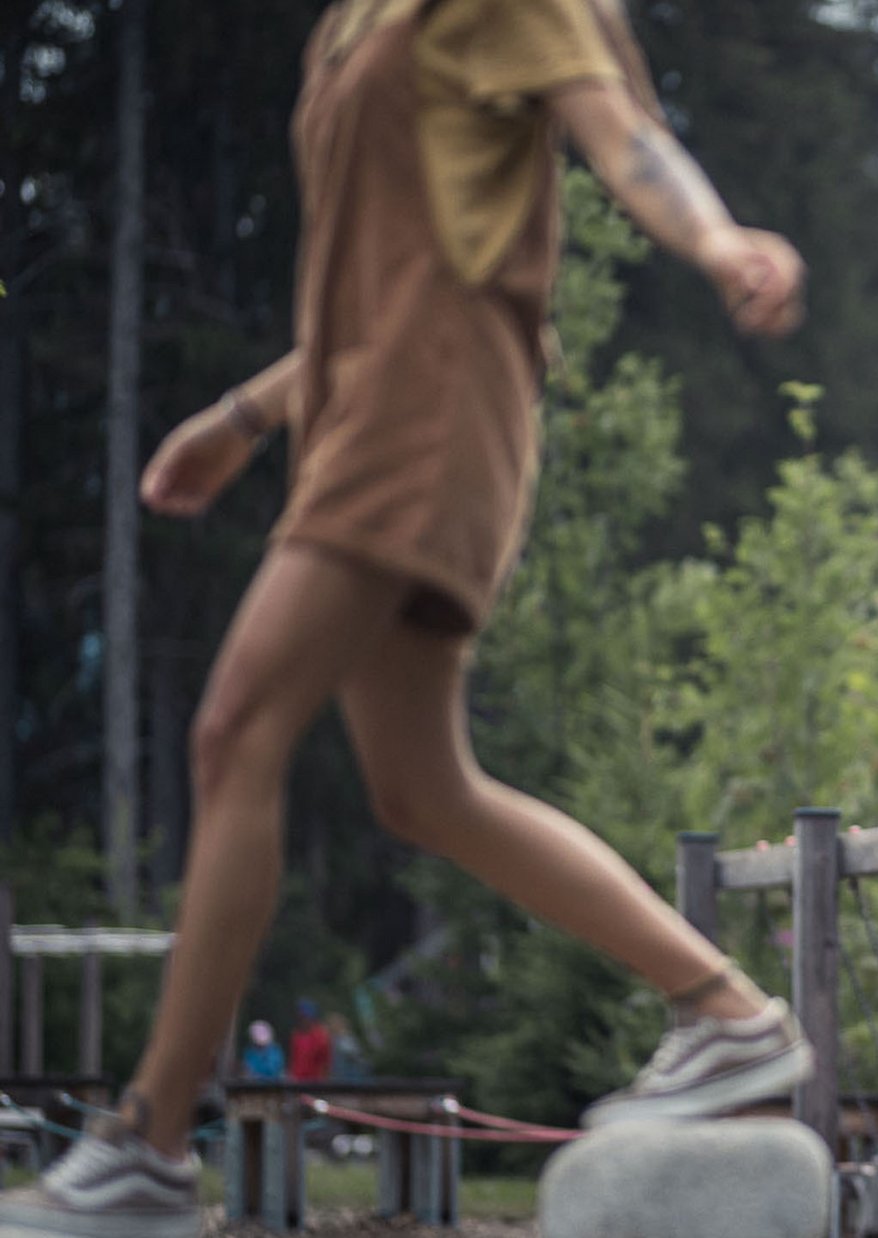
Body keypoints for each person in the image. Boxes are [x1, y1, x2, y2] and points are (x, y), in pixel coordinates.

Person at [0, 2, 809, 1234]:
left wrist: (713, 239)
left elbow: (623, 135)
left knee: (235, 730)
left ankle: (149, 1140)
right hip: (359, 401)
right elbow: (376, 275)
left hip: (428, 404)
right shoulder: (355, 23)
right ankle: (728, 1014)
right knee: (423, 787)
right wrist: (243, 417)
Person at [288, 1000, 333, 1083]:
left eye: (304, 1017)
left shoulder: (320, 1036)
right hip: (298, 1083)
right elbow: (294, 1060)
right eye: (300, 1017)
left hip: (315, 1083)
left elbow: (325, 1063)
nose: (302, 1020)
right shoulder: (296, 1035)